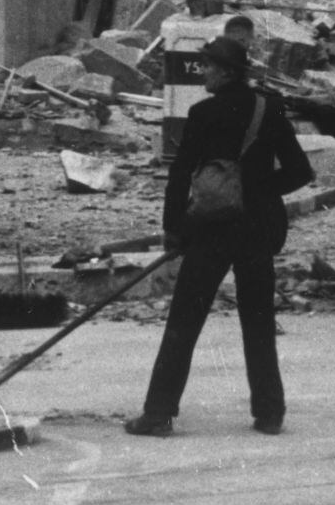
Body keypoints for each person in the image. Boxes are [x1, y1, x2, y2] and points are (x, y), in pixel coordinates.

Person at [128, 31, 310, 436]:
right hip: (258, 228)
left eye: (208, 65)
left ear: (226, 71)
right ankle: (269, 412)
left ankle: (158, 414)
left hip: (211, 229)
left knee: (184, 321)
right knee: (259, 322)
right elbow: (302, 171)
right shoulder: (270, 109)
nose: (203, 72)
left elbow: (180, 173)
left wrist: (173, 229)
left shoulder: (204, 113)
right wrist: (259, 190)